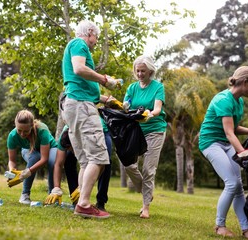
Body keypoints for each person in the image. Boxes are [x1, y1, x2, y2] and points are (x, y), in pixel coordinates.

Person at [61, 19, 121, 218]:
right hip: (81, 106)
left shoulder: (74, 47)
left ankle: (81, 203)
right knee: (99, 157)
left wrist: (106, 99)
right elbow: (79, 69)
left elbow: (80, 81)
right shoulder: (79, 43)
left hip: (77, 104)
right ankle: (85, 204)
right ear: (89, 33)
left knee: (86, 161)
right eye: (96, 37)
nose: (95, 41)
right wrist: (105, 79)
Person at [198, 66, 248, 239]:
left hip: (225, 142)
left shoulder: (238, 101)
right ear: (245, 82)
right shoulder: (223, 99)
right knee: (231, 183)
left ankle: (246, 230)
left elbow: (233, 127)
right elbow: (229, 132)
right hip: (211, 142)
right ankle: (220, 226)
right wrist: (242, 151)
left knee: (239, 186)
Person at [123, 55, 167, 219]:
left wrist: (149, 114)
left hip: (155, 129)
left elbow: (157, 108)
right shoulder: (132, 88)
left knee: (148, 169)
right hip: (135, 131)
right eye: (138, 71)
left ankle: (145, 206)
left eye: (143, 71)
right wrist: (125, 105)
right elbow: (126, 104)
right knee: (128, 164)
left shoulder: (158, 87)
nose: (140, 74)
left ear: (150, 71)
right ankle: (146, 191)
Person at [45, 122, 112, 211]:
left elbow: (101, 166)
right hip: (79, 131)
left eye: (72, 149)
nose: (72, 151)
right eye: (68, 149)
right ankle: (76, 199)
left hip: (100, 131)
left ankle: (100, 202)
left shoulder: (90, 138)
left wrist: (84, 186)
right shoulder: (64, 138)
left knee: (104, 161)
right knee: (68, 159)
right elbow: (58, 164)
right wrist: (56, 188)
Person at [7, 109, 58, 204]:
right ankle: (25, 195)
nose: (22, 134)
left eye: (26, 131)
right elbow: (12, 161)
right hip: (28, 149)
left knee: (53, 162)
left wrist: (27, 172)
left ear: (31, 126)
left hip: (51, 147)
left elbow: (44, 159)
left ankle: (52, 196)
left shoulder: (42, 130)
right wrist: (12, 171)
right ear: (15, 126)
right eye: (19, 130)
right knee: (34, 158)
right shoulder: (12, 136)